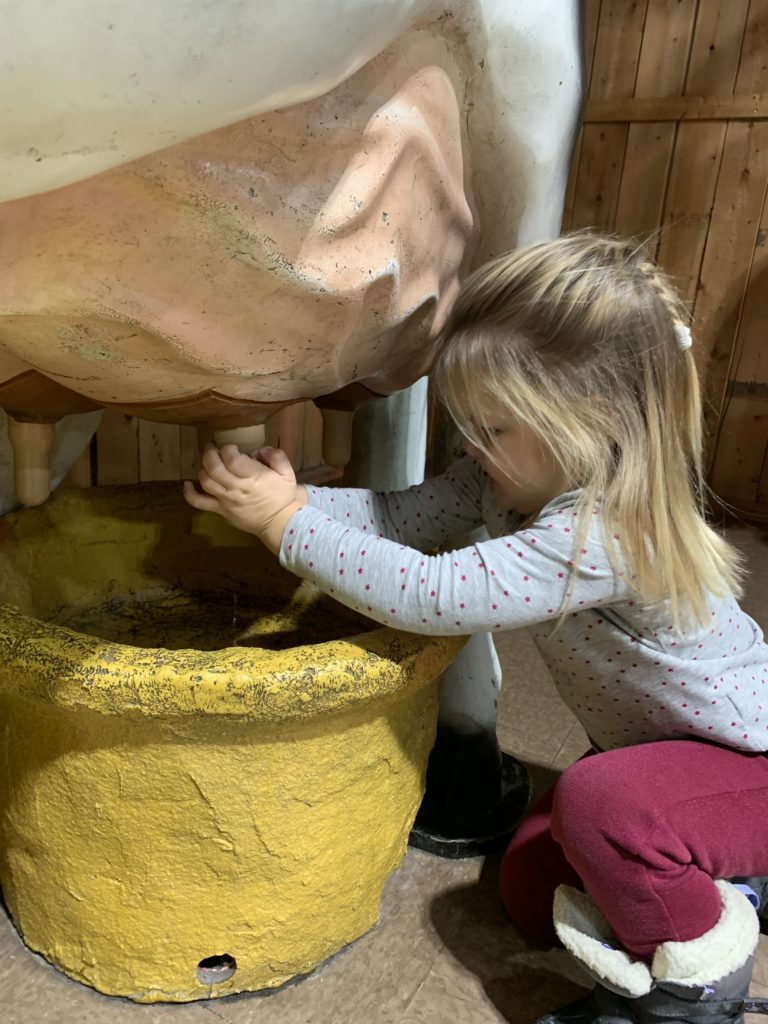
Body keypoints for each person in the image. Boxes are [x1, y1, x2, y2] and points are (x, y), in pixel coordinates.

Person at [184, 231, 768, 1024]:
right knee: (530, 887)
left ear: (588, 422)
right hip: (652, 748)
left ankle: (695, 994)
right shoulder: (510, 482)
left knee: (599, 807)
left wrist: (283, 526)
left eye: (494, 429)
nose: (470, 444)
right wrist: (295, 500)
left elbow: (431, 593)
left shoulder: (605, 534)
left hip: (746, 762)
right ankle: (721, 870)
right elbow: (398, 517)